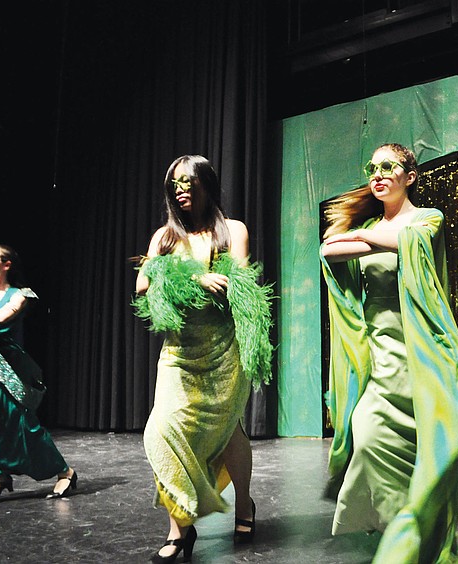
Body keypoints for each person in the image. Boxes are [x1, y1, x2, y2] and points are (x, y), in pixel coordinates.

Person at [320, 143, 458, 563]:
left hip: (420, 353)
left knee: (425, 451)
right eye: (372, 167)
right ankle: (401, 537)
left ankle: (421, 537)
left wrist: (362, 238)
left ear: (410, 176)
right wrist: (374, 236)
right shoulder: (372, 226)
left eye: (388, 166)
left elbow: (410, 240)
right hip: (380, 355)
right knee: (368, 436)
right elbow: (328, 251)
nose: (377, 174)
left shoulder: (429, 217)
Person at [134, 155, 273, 564]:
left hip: (224, 350)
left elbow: (239, 281)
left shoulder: (233, 230)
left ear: (206, 184)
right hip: (179, 351)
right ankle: (180, 526)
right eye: (174, 184)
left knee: (230, 432)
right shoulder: (164, 238)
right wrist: (193, 277)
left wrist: (221, 282)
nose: (181, 190)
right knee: (161, 430)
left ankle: (244, 505)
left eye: (188, 182)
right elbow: (143, 284)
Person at [0, 244, 77, 503]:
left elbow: (2, 317)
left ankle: (65, 472)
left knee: (22, 425)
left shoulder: (22, 294)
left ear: (6, 265)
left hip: (11, 367)